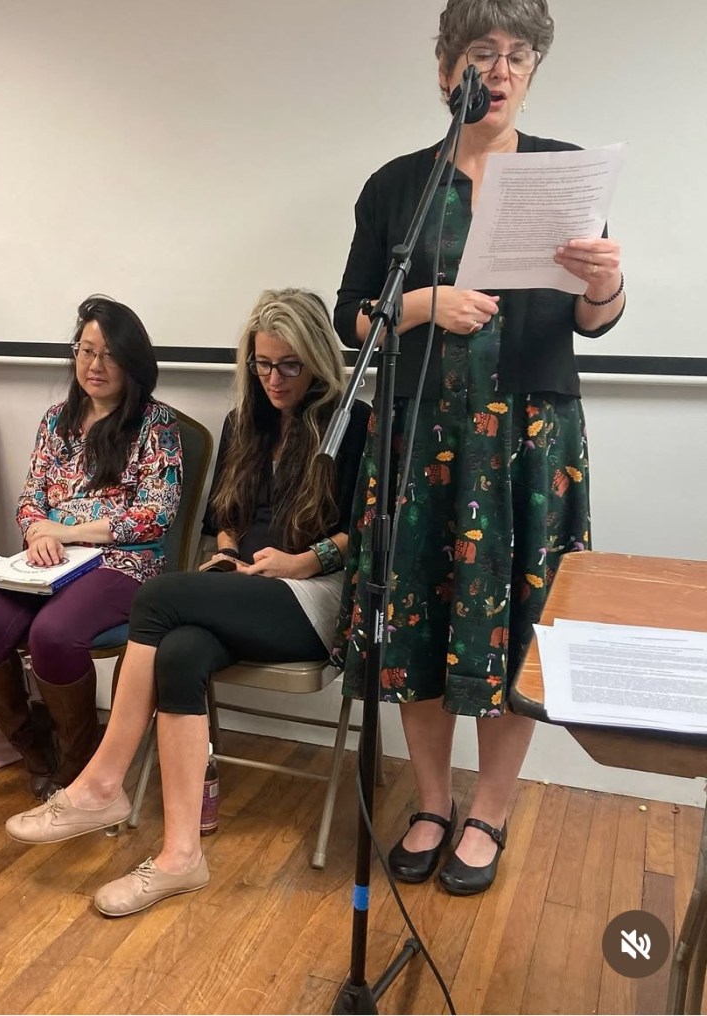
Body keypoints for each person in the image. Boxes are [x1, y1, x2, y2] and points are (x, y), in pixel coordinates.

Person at [331, 0, 626, 895]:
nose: (498, 71)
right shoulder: (398, 186)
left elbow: (594, 320)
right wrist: (425, 305)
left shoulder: (564, 173)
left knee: (515, 623)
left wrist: (607, 285)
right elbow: (350, 317)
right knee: (415, 615)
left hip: (528, 442)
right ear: (444, 69)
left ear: (532, 71)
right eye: (480, 53)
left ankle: (489, 809)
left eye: (517, 55)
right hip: (422, 439)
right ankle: (431, 801)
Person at [0, 287, 368, 916]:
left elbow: (366, 530)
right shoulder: (244, 420)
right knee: (179, 653)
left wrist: (303, 561)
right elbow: (227, 518)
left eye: (290, 365)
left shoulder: (354, 423)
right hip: (243, 586)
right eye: (262, 364)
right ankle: (180, 858)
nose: (274, 379)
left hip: (313, 595)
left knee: (159, 596)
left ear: (319, 362)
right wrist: (225, 554)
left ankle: (101, 783)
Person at [0, 296, 181, 801]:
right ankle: (32, 747)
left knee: (54, 635)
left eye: (109, 354)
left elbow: (155, 514)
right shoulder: (57, 419)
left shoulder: (156, 424)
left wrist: (68, 532)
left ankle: (79, 757)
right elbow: (30, 498)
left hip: (126, 563)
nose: (95, 365)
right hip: (50, 561)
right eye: (86, 350)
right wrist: (38, 532)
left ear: (133, 362)